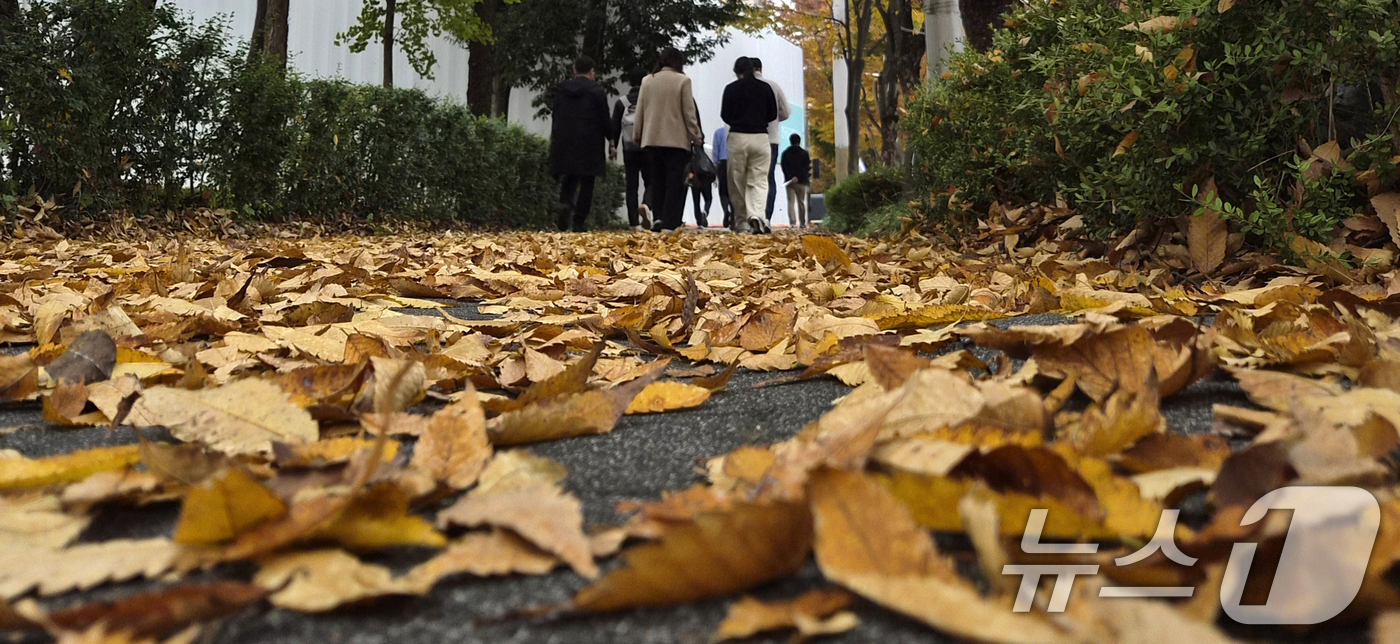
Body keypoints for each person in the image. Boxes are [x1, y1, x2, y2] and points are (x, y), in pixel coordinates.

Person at [633, 48, 704, 232]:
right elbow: (689, 113)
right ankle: (670, 220)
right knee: (675, 182)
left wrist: (637, 134)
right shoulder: (683, 81)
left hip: (652, 139)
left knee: (657, 179)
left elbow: (640, 111)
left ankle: (657, 216)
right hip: (676, 141)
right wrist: (696, 136)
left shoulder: (647, 81)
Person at [549, 56, 615, 232]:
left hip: (565, 139)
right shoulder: (597, 92)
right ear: (592, 72)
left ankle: (565, 203)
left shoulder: (561, 89)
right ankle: (579, 222)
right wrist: (611, 140)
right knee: (587, 181)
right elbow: (604, 118)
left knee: (569, 175)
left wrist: (556, 138)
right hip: (590, 141)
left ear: (574, 70)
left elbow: (556, 114)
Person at [720, 56, 777, 234]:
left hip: (737, 137)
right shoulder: (765, 88)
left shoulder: (731, 89)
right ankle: (757, 215)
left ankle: (742, 221)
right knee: (759, 180)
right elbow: (772, 114)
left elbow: (725, 115)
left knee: (737, 181)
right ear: (753, 70)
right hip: (760, 137)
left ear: (737, 72)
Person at [750, 58, 791, 222]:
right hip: (771, 139)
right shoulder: (773, 86)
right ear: (761, 68)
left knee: (751, 178)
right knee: (769, 178)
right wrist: (773, 119)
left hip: (750, 137)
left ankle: (753, 213)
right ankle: (767, 215)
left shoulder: (744, 86)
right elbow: (786, 112)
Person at [611, 67, 651, 231]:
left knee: (631, 185)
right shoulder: (650, 101)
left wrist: (613, 147)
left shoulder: (622, 102)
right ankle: (646, 204)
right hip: (648, 147)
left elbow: (615, 128)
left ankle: (633, 223)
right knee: (652, 181)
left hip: (629, 148)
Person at [780, 133, 812, 228]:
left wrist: (790, 177)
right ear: (799, 141)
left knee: (791, 202)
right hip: (802, 182)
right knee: (801, 202)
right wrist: (799, 177)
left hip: (790, 182)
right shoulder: (804, 153)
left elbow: (784, 167)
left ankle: (793, 223)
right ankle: (802, 223)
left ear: (790, 141)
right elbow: (807, 167)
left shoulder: (785, 153)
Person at [713, 124, 735, 228]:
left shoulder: (718, 132)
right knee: (734, 188)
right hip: (733, 161)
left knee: (723, 189)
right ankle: (733, 213)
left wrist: (716, 164)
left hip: (722, 162)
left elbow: (715, 150)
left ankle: (726, 210)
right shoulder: (735, 131)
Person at [688, 148, 713, 228]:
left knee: (696, 202)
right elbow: (712, 165)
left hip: (695, 180)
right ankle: (705, 212)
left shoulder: (690, 152)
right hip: (705, 179)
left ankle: (699, 221)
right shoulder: (708, 150)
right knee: (708, 199)